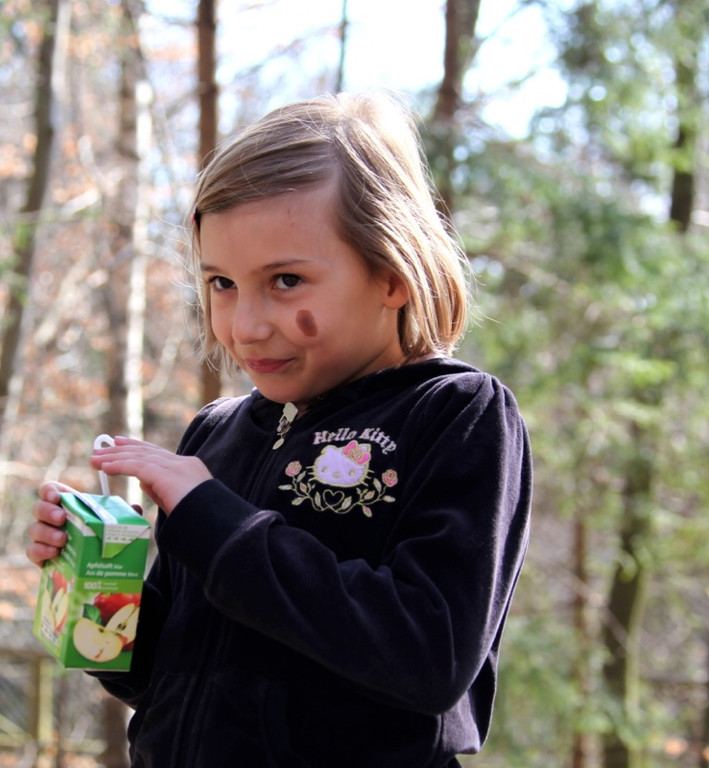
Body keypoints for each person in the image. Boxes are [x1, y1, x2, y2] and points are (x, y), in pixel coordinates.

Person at [27, 91, 531, 767]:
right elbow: (168, 676)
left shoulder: (456, 414)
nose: (245, 325)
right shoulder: (216, 433)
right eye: (221, 283)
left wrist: (219, 525)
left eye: (286, 280)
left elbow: (428, 655)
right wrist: (95, 586)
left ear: (392, 275)